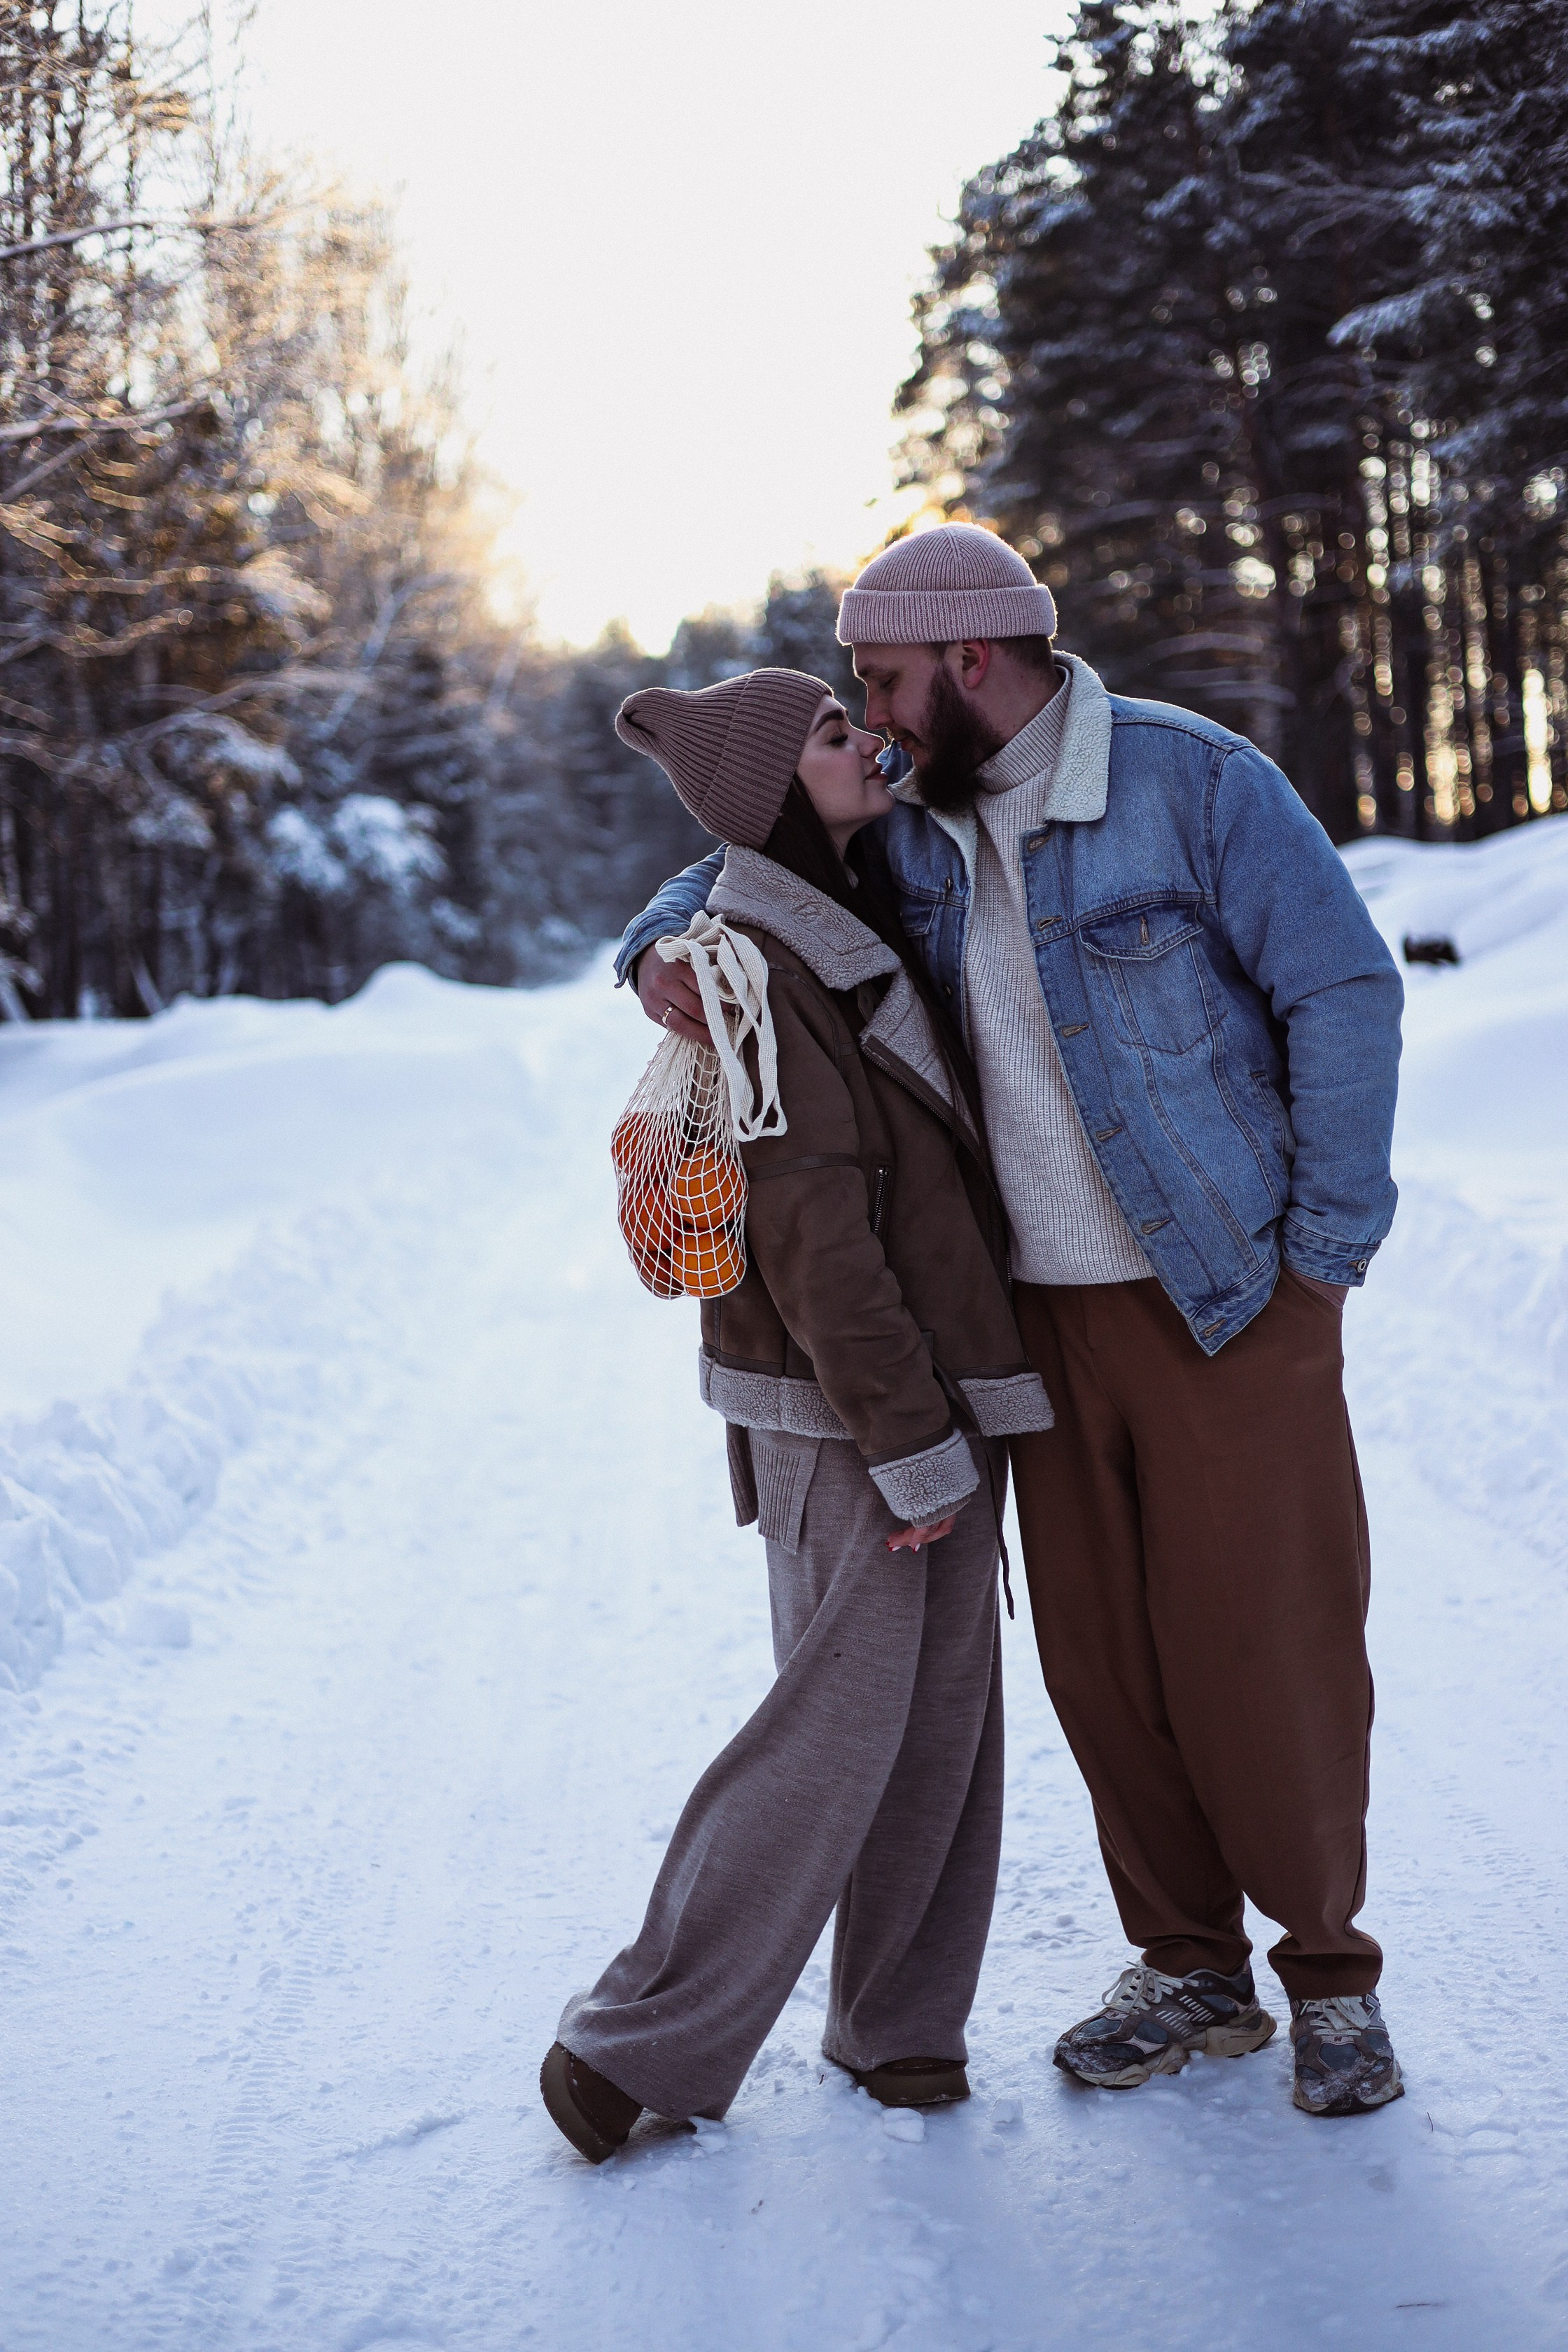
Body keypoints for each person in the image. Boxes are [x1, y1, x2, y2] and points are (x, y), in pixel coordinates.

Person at [620, 526, 1406, 2121]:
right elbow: (740, 859)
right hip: (1030, 1328)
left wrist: (1324, 1250)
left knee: (1268, 1648)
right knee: (1102, 1665)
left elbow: (1343, 990)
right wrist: (650, 951)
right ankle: (1190, 1967)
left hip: (1223, 1299)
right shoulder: (911, 812)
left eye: (880, 680)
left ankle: (1330, 1976)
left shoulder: (1193, 784)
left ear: (969, 660)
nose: (869, 715)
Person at [541, 664, 1054, 2164]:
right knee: (829, 1728)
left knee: (943, 1723)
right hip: (852, 1410)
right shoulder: (758, 961)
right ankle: (631, 2041)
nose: (867, 741)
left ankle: (900, 2026)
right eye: (833, 733)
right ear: (777, 785)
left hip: (932, 1380)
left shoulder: (853, 898)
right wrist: (909, 1444)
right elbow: (814, 1234)